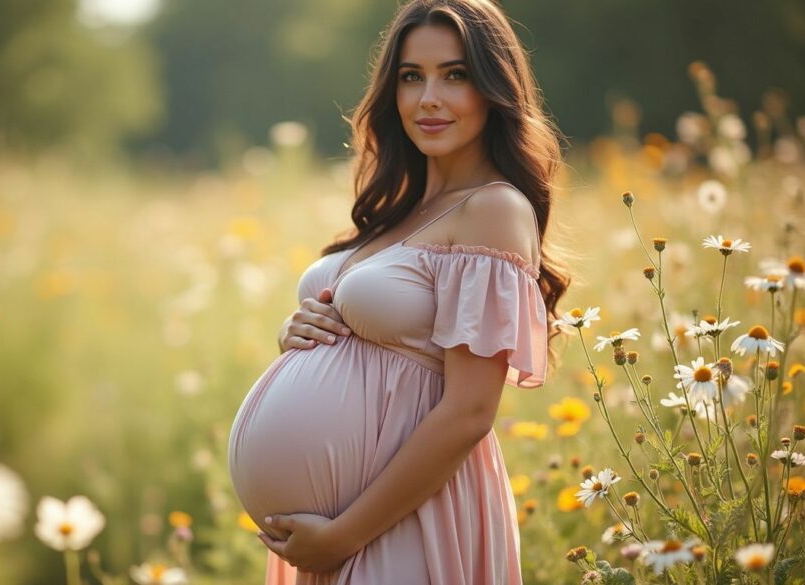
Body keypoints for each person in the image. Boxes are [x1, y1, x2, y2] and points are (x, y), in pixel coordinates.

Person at [227, 0, 571, 582]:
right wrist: (297, 333)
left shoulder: (493, 209)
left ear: (495, 89)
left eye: (454, 75)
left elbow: (469, 412)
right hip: (334, 536)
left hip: (403, 523)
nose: (427, 98)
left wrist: (342, 536)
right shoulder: (399, 212)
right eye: (411, 77)